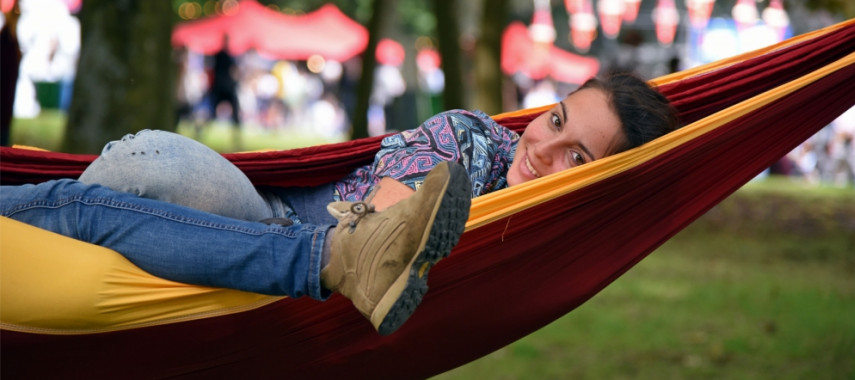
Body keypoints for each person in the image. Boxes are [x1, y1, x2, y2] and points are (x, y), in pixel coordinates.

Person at [0, 72, 679, 335]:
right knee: (143, 159)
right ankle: (329, 259)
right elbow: (385, 213)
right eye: (556, 121)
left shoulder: (553, 245)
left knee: (90, 212)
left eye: (579, 159)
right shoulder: (476, 140)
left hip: (286, 302)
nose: (545, 149)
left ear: (601, 184)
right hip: (263, 220)